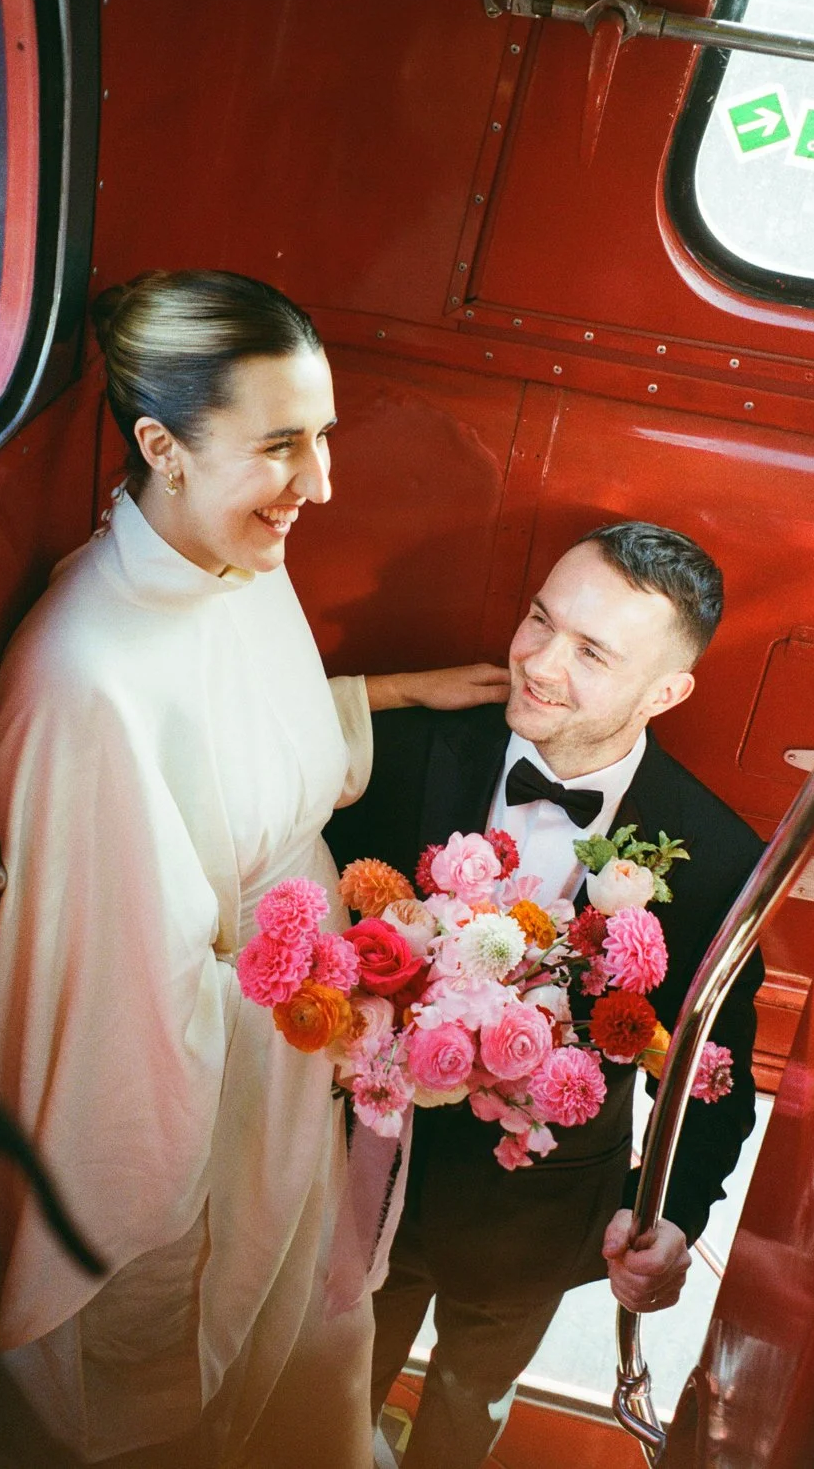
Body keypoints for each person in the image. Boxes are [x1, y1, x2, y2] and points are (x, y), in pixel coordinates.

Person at [0, 269, 508, 1469]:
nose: (319, 483)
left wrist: (382, 696)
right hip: (196, 1113)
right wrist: (339, 1000)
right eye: (281, 446)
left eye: (320, 436)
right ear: (161, 446)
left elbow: (227, 751)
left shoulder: (232, 561)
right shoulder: (82, 687)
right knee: (174, 1377)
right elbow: (117, 1006)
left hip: (280, 1064)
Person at [325, 521, 766, 1469]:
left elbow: (712, 1078)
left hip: (542, 1212)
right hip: (365, 1179)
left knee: (472, 1399)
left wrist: (675, 1215)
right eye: (539, 618)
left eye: (590, 652)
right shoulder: (411, 748)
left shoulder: (721, 858)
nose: (537, 661)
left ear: (666, 692)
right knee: (332, 1387)